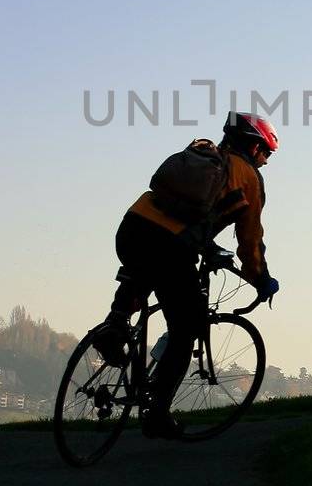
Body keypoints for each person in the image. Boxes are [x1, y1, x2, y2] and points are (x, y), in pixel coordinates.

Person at [92, 111, 280, 439]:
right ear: (253, 147)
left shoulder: (200, 153)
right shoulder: (248, 176)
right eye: (266, 152)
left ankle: (115, 324)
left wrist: (206, 248)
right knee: (187, 327)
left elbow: (189, 213)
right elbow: (250, 240)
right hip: (171, 246)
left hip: (133, 225)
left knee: (142, 271)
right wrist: (261, 279)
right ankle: (158, 415)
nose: (266, 161)